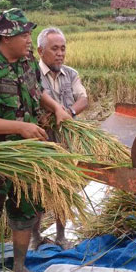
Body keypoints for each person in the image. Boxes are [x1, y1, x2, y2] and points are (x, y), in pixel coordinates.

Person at [0, 8, 72, 272]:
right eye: (22, 34)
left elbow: (38, 91)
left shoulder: (27, 62)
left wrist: (56, 107)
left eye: (28, 33)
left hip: (28, 155)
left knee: (26, 209)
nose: (27, 39)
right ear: (4, 38)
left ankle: (20, 267)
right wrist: (20, 127)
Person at [30, 27, 88, 250]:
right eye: (54, 49)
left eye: (63, 48)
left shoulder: (70, 74)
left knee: (62, 188)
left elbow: (83, 98)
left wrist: (69, 112)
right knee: (37, 190)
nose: (60, 53)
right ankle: (35, 236)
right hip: (39, 143)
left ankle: (61, 235)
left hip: (64, 143)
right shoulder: (31, 74)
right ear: (40, 51)